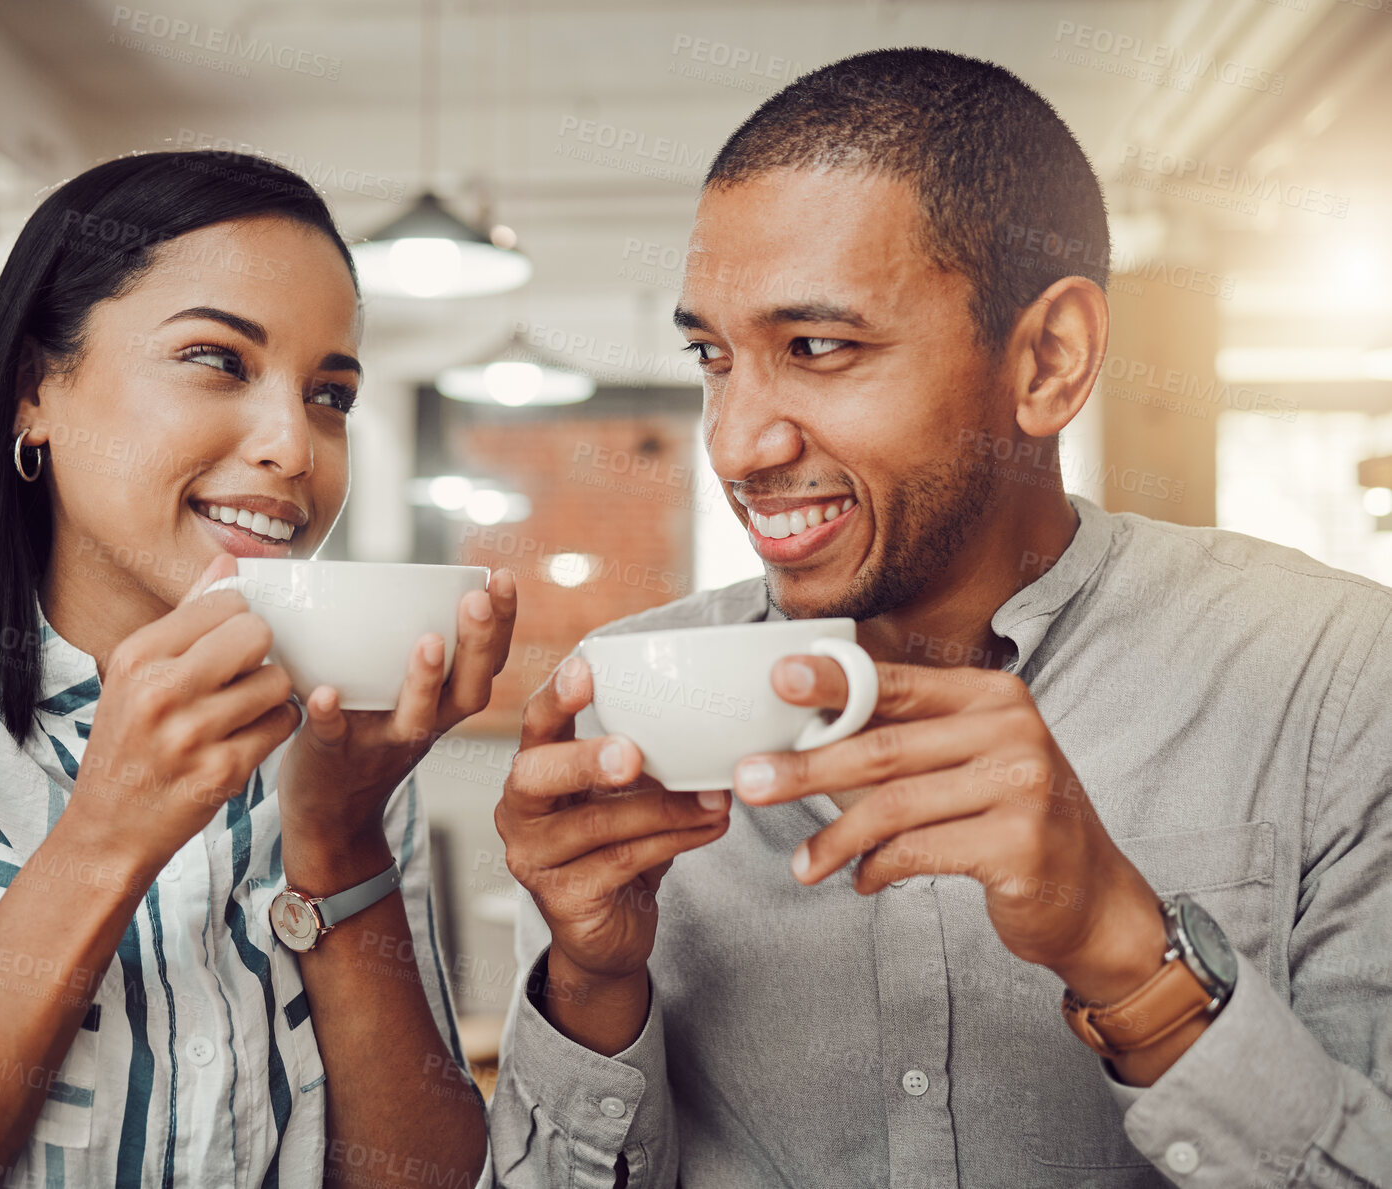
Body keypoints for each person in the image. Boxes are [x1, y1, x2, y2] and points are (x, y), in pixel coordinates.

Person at [489, 48, 1392, 1187]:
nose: (732, 444)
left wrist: (1126, 954)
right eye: (714, 358)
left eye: (816, 348)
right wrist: (588, 985)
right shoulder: (626, 695)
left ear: (1048, 361)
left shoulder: (1334, 677)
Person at [0, 150, 514, 1188]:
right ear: (35, 389)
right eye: (218, 360)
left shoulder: (338, 731)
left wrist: (340, 835)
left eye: (329, 393)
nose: (292, 444)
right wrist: (103, 841)